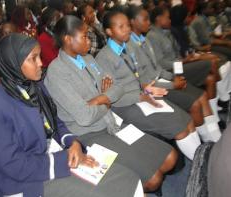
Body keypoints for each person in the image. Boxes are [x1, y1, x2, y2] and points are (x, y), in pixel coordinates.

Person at [0, 33, 143, 197]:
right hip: (27, 180)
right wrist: (64, 159)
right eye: (33, 59)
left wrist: (73, 143)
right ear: (13, 63)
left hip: (54, 156)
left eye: (39, 57)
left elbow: (54, 122)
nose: (41, 63)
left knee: (125, 180)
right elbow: (12, 165)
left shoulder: (35, 86)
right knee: (110, 192)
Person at [45, 15, 178, 192]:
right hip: (89, 133)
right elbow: (85, 117)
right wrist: (107, 100)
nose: (89, 41)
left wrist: (100, 98)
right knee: (153, 179)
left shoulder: (88, 59)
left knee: (170, 157)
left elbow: (118, 87)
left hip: (111, 122)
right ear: (68, 39)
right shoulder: (57, 73)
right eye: (84, 37)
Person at [125, 5, 221, 143]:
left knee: (203, 95)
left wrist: (173, 77)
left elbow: (157, 68)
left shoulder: (144, 40)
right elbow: (145, 79)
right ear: (133, 22)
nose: (148, 22)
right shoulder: (131, 47)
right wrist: (172, 83)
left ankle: (215, 138)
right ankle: (208, 141)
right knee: (195, 104)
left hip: (163, 78)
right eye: (145, 19)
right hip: (153, 87)